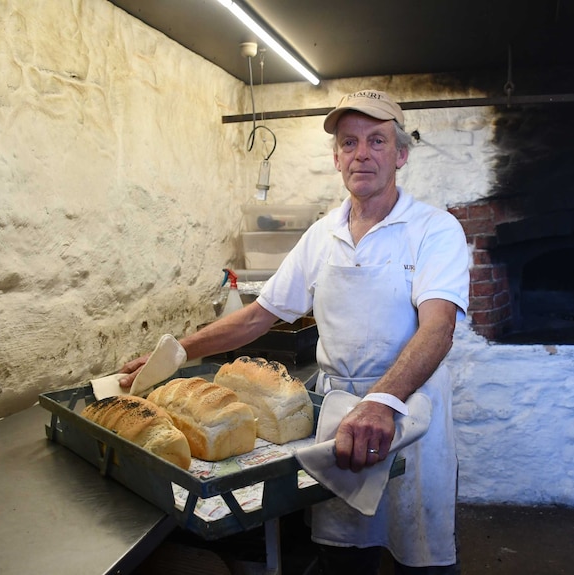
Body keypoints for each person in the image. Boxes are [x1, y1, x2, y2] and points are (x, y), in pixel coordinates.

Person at [119, 89, 470, 574]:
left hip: (407, 414)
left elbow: (438, 328)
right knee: (345, 555)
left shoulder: (434, 229)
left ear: (401, 155)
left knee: (419, 553)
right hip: (340, 418)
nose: (361, 154)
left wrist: (382, 402)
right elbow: (260, 314)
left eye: (376, 141)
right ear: (336, 157)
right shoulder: (323, 234)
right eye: (349, 143)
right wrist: (177, 351)